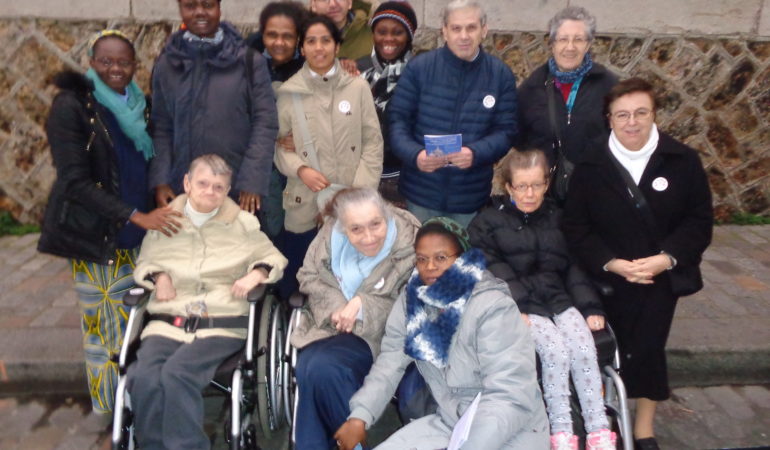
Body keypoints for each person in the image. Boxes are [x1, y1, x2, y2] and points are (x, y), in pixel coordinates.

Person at [38, 30, 183, 419]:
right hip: (98, 238)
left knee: (139, 326)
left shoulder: (141, 105)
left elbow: (150, 160)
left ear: (136, 66)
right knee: (106, 334)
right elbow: (74, 182)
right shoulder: (72, 107)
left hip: (142, 236)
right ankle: (115, 416)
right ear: (91, 62)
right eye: (106, 61)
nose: (115, 69)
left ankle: (140, 403)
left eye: (124, 62)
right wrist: (136, 215)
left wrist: (160, 190)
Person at [562, 78, 713, 450]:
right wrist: (611, 263)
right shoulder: (591, 164)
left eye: (641, 113)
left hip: (658, 278)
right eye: (622, 114)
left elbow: (699, 221)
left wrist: (666, 259)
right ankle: (602, 418)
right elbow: (576, 226)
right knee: (601, 349)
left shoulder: (682, 161)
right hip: (607, 276)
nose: (632, 122)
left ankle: (643, 428)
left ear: (654, 114)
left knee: (648, 349)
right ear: (609, 119)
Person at [334, 217, 549, 450]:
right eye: (422, 259)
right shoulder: (412, 304)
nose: (430, 267)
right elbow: (389, 364)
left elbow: (509, 396)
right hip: (452, 423)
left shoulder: (493, 307)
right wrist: (360, 416)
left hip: (512, 428)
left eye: (441, 258)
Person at [128, 154, 288, 450]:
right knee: (143, 376)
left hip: (221, 323)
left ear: (228, 191)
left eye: (219, 187)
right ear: (187, 183)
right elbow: (145, 263)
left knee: (178, 373)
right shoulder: (163, 221)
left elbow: (273, 257)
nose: (210, 192)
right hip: (168, 321)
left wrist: (257, 273)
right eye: (203, 183)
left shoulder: (242, 222)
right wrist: (160, 276)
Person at [468, 149, 616, 450]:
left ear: (546, 184)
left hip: (558, 300)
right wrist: (516, 306)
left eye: (536, 185)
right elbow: (492, 268)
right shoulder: (487, 222)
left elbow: (574, 267)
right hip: (520, 305)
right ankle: (562, 431)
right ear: (508, 187)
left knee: (584, 346)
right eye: (522, 186)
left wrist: (590, 307)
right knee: (555, 350)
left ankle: (599, 429)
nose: (530, 193)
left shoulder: (559, 218)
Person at [290, 187, 421, 448]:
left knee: (321, 366)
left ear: (387, 214)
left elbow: (414, 300)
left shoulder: (412, 241)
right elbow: (308, 276)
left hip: (385, 335)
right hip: (330, 327)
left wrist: (362, 305)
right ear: (342, 226)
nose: (369, 237)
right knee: (309, 365)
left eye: (375, 224)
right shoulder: (329, 236)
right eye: (356, 229)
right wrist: (337, 307)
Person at [274, 14, 383, 298]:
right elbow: (278, 147)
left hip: (350, 203)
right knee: (300, 280)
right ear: (302, 48)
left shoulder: (357, 87)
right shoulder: (288, 94)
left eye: (326, 40)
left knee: (345, 281)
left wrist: (356, 194)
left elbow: (372, 141)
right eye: (311, 41)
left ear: (337, 47)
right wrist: (300, 169)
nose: (319, 48)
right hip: (304, 203)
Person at [388, 0, 518, 227]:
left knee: (463, 261)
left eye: (471, 27)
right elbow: (397, 121)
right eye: (456, 28)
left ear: (484, 30)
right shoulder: (420, 68)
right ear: (444, 32)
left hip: (470, 198)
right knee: (420, 261)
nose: (464, 36)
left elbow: (507, 131)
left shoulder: (500, 75)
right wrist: (415, 155)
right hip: (420, 194)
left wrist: (474, 153)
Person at [150, 0, 278, 216]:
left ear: (219, 8)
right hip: (184, 190)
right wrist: (160, 180)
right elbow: (161, 127)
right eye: (190, 6)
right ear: (180, 9)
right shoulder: (167, 63)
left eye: (208, 5)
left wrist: (252, 181)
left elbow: (265, 123)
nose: (200, 12)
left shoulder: (248, 61)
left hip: (235, 188)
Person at [517, 6, 618, 202]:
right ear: (552, 43)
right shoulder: (533, 86)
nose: (570, 47)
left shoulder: (608, 85)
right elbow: (518, 136)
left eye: (578, 39)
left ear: (588, 44)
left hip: (595, 192)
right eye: (563, 39)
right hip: (544, 196)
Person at [245, 1, 309, 244]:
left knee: (288, 234)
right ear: (262, 34)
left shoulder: (309, 68)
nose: (279, 43)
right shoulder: (244, 65)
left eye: (287, 36)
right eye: (272, 35)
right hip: (253, 168)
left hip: (295, 171)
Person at [356, 1, 418, 207]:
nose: (389, 38)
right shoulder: (355, 70)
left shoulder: (420, 73)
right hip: (361, 176)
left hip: (406, 179)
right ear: (373, 34)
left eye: (398, 32)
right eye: (382, 31)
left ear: (409, 35)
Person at [309, 0, 373, 61]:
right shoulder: (302, 38)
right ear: (313, 4)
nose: (332, 4)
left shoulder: (375, 32)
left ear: (349, 2)